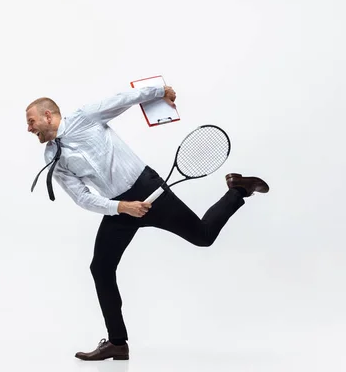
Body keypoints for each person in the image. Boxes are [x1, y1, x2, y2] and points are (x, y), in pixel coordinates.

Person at [26, 85, 269, 361]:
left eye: (31, 122)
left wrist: (158, 92)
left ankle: (238, 189)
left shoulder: (85, 117)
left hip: (147, 188)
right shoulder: (51, 156)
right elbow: (80, 196)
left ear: (48, 115)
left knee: (203, 236)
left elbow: (122, 100)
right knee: (101, 268)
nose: (29, 129)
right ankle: (117, 343)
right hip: (118, 209)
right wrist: (120, 208)